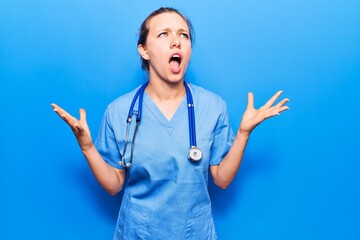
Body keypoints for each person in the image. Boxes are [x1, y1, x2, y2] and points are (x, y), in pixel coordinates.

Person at [51, 7, 289, 240]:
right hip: (137, 233)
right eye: (163, 34)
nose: (176, 41)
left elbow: (222, 179)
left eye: (183, 35)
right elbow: (114, 185)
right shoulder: (119, 111)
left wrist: (243, 134)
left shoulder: (212, 106)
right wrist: (88, 148)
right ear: (144, 50)